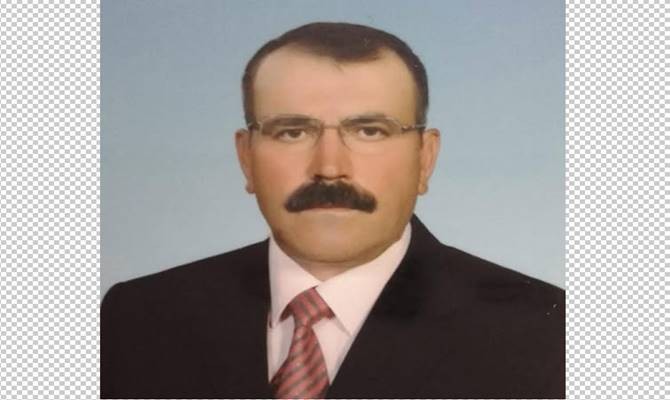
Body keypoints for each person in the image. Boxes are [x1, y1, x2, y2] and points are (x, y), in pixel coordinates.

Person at [101, 22, 564, 399]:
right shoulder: (136, 317)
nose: (328, 168)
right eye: (291, 132)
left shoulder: (548, 335)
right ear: (246, 157)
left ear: (425, 158)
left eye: (369, 131)